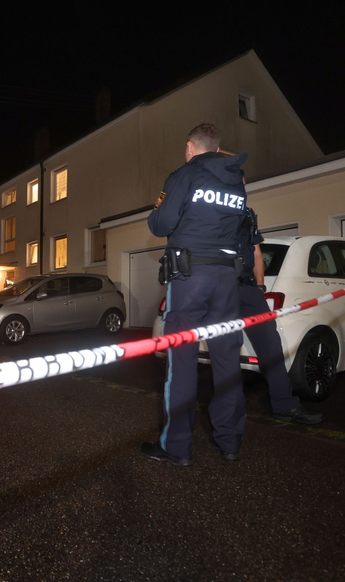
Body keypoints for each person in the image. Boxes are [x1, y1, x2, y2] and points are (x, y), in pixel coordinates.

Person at [143, 123, 247, 467]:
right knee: (227, 359)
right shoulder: (236, 181)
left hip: (190, 277)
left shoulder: (184, 176)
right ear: (217, 149)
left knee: (182, 360)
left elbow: (160, 224)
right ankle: (230, 441)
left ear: (190, 147)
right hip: (227, 278)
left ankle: (177, 447)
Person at [236, 182, 323, 425]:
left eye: (244, 185)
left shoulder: (247, 213)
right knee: (227, 352)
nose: (242, 188)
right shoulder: (213, 210)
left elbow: (256, 251)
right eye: (238, 183)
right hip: (222, 289)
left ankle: (285, 405)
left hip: (249, 291)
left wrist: (259, 287)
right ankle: (231, 415)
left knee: (270, 346)